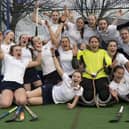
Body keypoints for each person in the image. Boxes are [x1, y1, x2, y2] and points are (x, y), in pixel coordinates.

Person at [72, 36, 112, 106]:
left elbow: (108, 64)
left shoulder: (103, 52)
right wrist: (74, 56)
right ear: (89, 44)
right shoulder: (83, 52)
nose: (94, 44)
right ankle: (94, 94)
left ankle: (98, 94)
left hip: (101, 76)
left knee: (104, 96)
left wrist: (107, 65)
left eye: (96, 42)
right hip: (87, 76)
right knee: (87, 97)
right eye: (92, 42)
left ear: (99, 43)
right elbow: (75, 66)